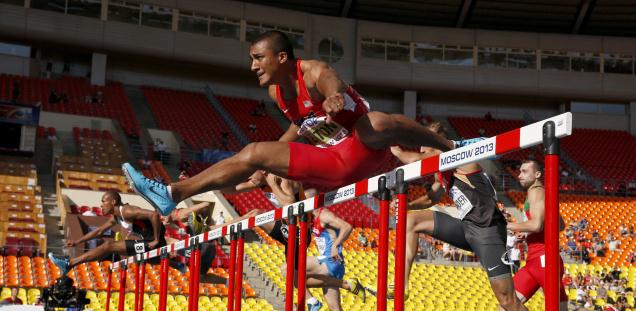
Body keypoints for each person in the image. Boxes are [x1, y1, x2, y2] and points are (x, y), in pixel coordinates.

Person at [122, 30, 475, 216]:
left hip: (366, 150)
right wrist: (268, 160)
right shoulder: (278, 94)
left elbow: (331, 81)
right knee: (255, 151)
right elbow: (301, 129)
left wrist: (335, 96)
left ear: (282, 57)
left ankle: (450, 148)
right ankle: (172, 194)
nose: (252, 66)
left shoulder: (314, 72)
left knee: (375, 123)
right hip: (332, 163)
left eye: (258, 58)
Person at [390, 141, 547, 311]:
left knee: (508, 302)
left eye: (425, 150)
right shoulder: (445, 174)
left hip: (488, 233)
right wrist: (406, 205)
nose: (422, 154)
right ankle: (403, 285)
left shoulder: (464, 162)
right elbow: (431, 197)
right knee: (410, 221)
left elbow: (413, 160)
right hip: (466, 228)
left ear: (437, 150)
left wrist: (397, 150)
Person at [480, 160, 631, 311]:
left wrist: (505, 226)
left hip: (544, 261)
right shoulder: (539, 194)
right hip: (533, 260)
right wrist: (529, 234)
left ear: (538, 174)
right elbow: (558, 225)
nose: (519, 175)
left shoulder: (537, 192)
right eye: (519, 171)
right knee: (507, 305)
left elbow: (536, 225)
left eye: (524, 171)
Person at [255, 174, 369, 311]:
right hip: (328, 267)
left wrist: (337, 245)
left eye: (303, 201)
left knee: (287, 268)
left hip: (331, 261)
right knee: (335, 310)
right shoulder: (309, 220)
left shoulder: (323, 215)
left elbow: (347, 226)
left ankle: (316, 299)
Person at [48, 191, 171, 274]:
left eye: (103, 202)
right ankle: (176, 264)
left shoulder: (127, 211)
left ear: (113, 202)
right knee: (111, 245)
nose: (101, 205)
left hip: (154, 245)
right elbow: (99, 231)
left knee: (109, 246)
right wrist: (77, 241)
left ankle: (69, 263)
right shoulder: (116, 217)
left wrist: (155, 239)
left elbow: (154, 215)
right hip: (148, 246)